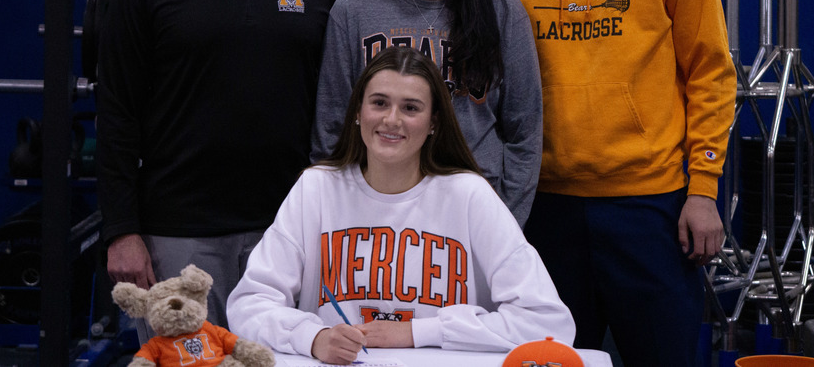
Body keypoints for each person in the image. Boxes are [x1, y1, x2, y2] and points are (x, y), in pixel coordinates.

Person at [488, 0, 737, 367]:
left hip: (649, 205)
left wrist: (703, 190)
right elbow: (491, 88)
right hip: (543, 208)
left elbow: (710, 72)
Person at [96, 0, 349, 339]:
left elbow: (340, 106)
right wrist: (122, 230)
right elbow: (116, 109)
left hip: (288, 232)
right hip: (177, 234)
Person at [227, 46, 575, 364]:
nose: (392, 120)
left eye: (410, 108)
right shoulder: (316, 189)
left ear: (433, 122)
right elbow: (248, 305)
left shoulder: (470, 195)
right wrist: (313, 336)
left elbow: (547, 321)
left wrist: (418, 333)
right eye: (379, 103)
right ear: (358, 113)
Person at [311, 0, 542, 226]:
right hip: (375, 213)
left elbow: (525, 135)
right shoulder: (354, 9)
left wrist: (505, 226)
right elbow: (331, 132)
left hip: (475, 215)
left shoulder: (502, 11)